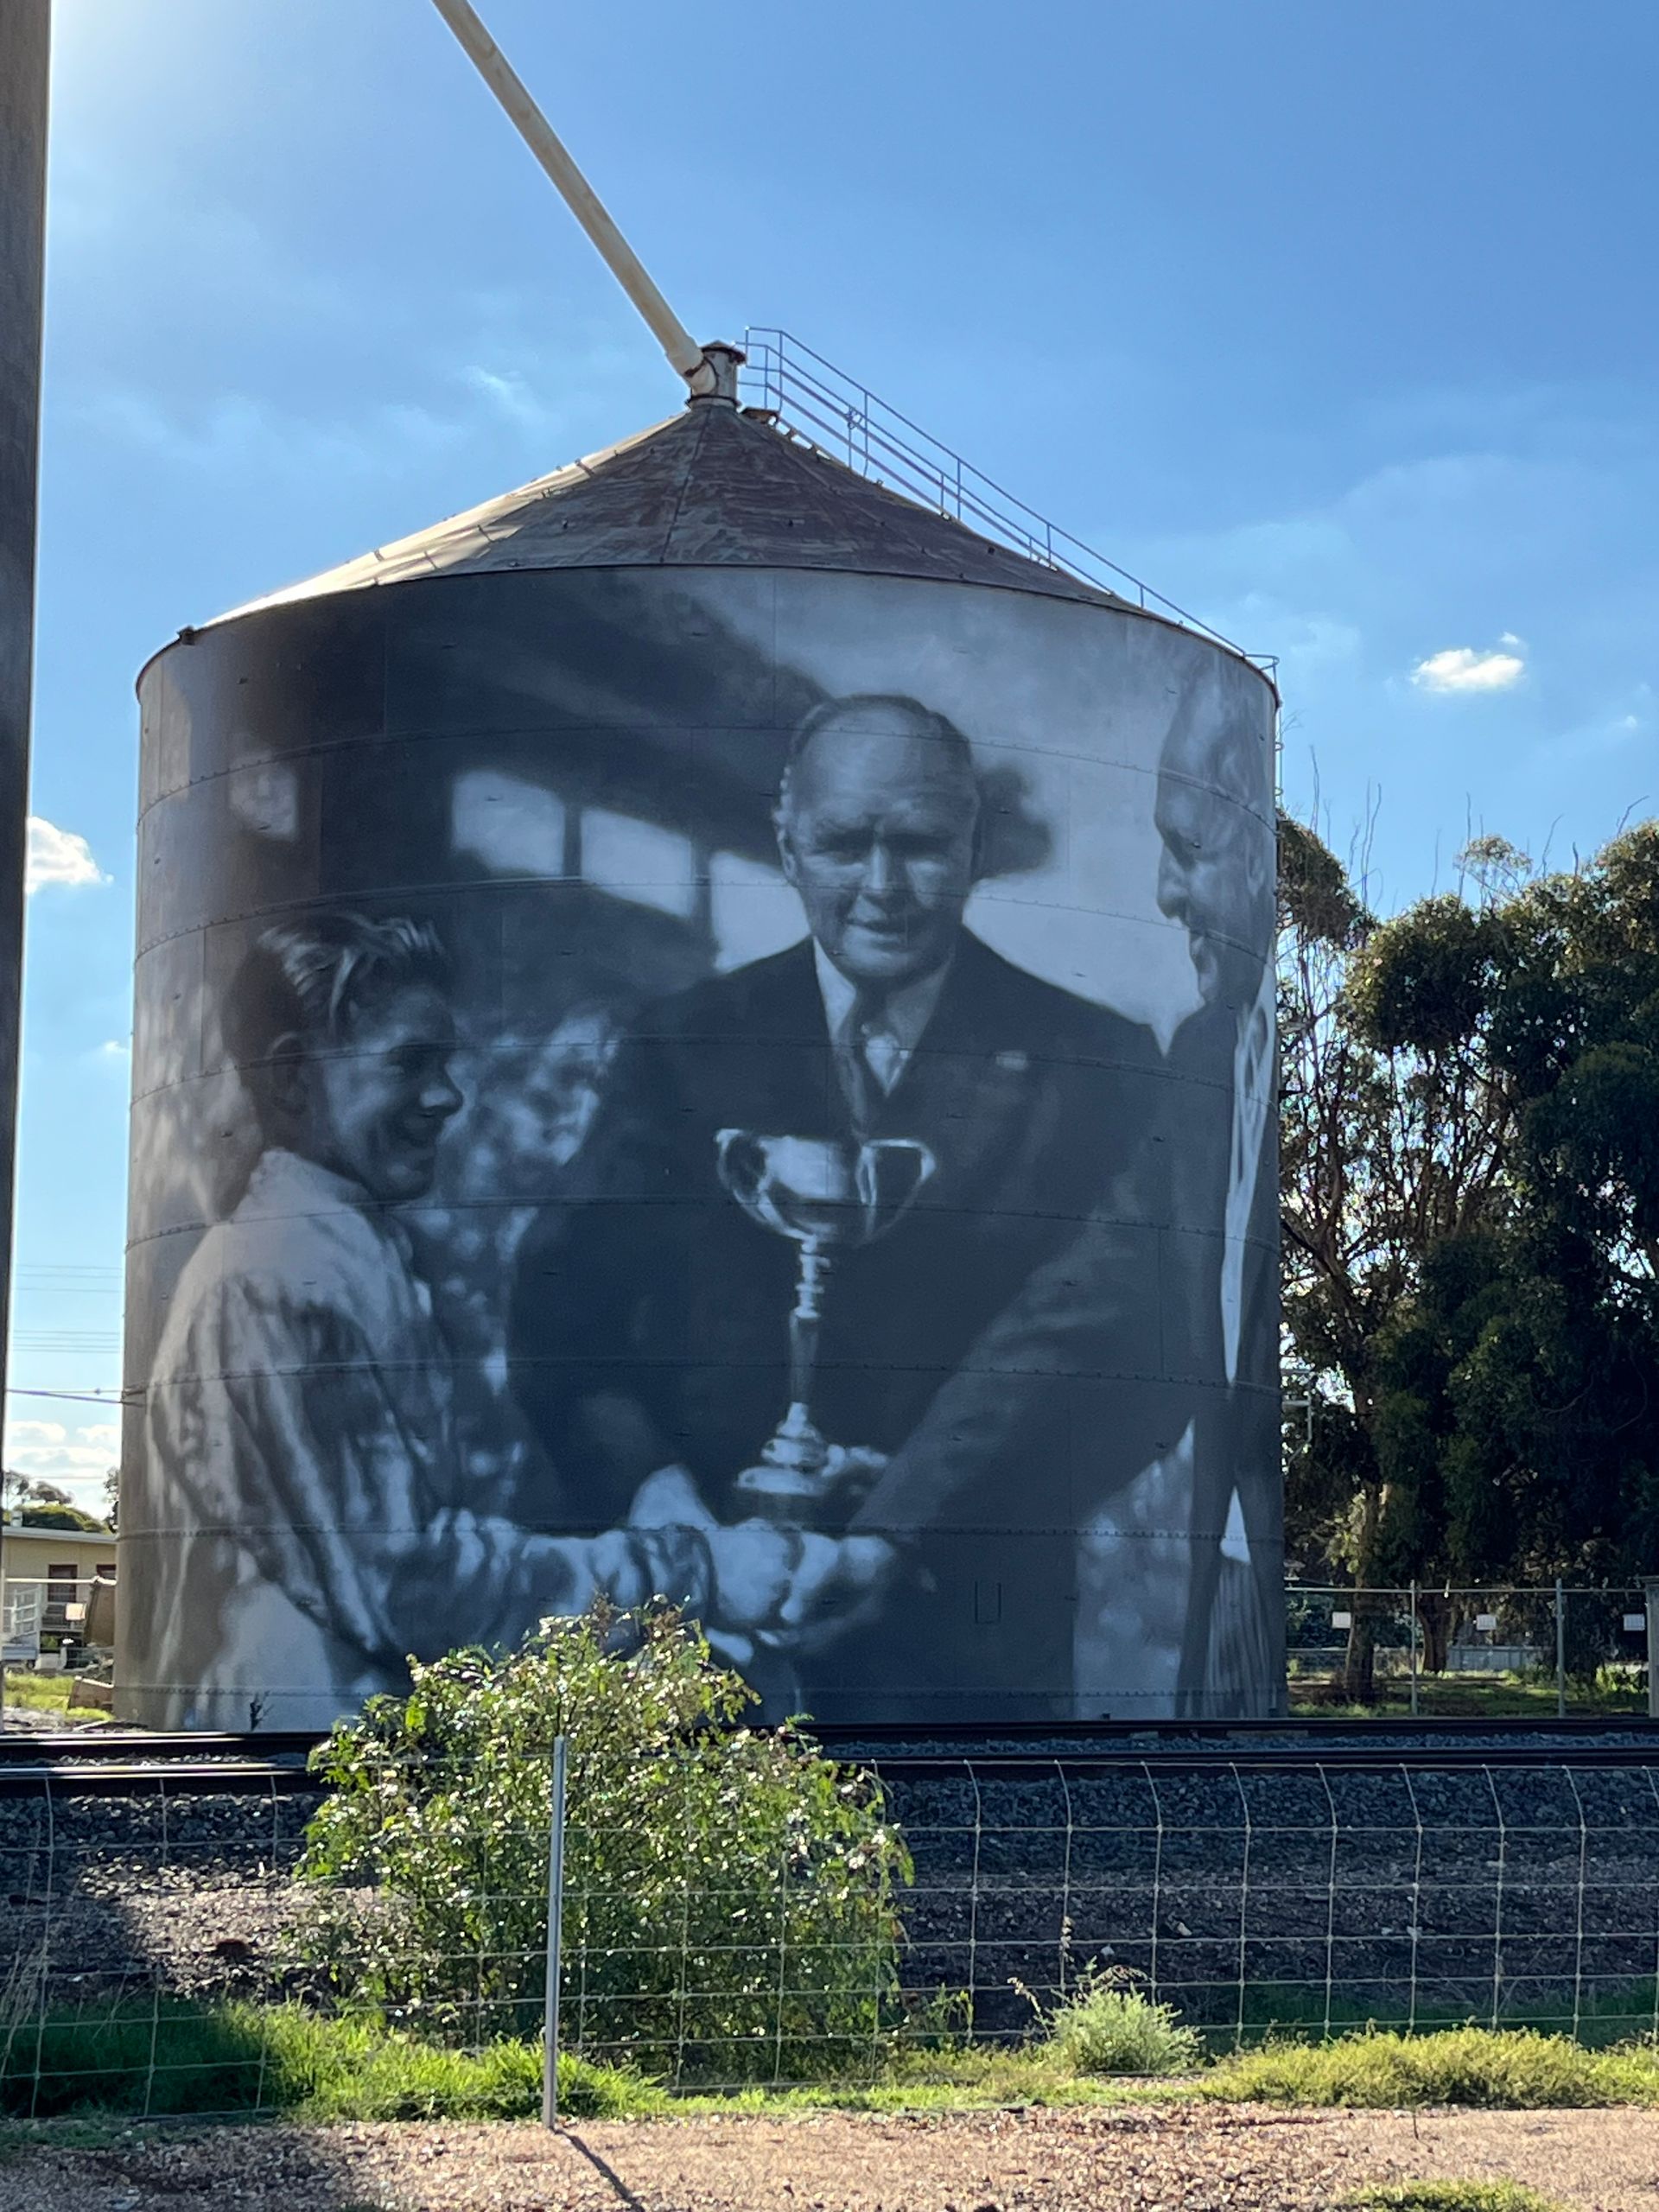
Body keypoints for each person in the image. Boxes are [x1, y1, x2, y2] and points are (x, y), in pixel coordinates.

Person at [509, 695, 1163, 1717]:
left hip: (968, 1661)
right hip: (700, 1646)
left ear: (975, 844)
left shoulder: (1096, 1063)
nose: (881, 885)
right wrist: (669, 1513)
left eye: (919, 845)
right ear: (788, 842)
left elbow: (1133, 1354)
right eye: (845, 844)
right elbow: (560, 1316)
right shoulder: (681, 1046)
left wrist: (903, 1529)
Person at [130, 912, 857, 1730]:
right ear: (295, 1080)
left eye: (447, 1063)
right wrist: (693, 1569)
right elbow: (412, 1588)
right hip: (297, 1760)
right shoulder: (276, 1279)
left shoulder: (351, 1250)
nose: (448, 1096)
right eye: (411, 1064)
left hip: (351, 1745)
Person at [842, 650, 1283, 1719]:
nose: (1164, 889)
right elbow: (1077, 1310)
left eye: (1190, 849)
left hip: (1243, 1586)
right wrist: (892, 1524)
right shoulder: (1205, 1059)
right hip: (1217, 1596)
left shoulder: (1213, 1053)